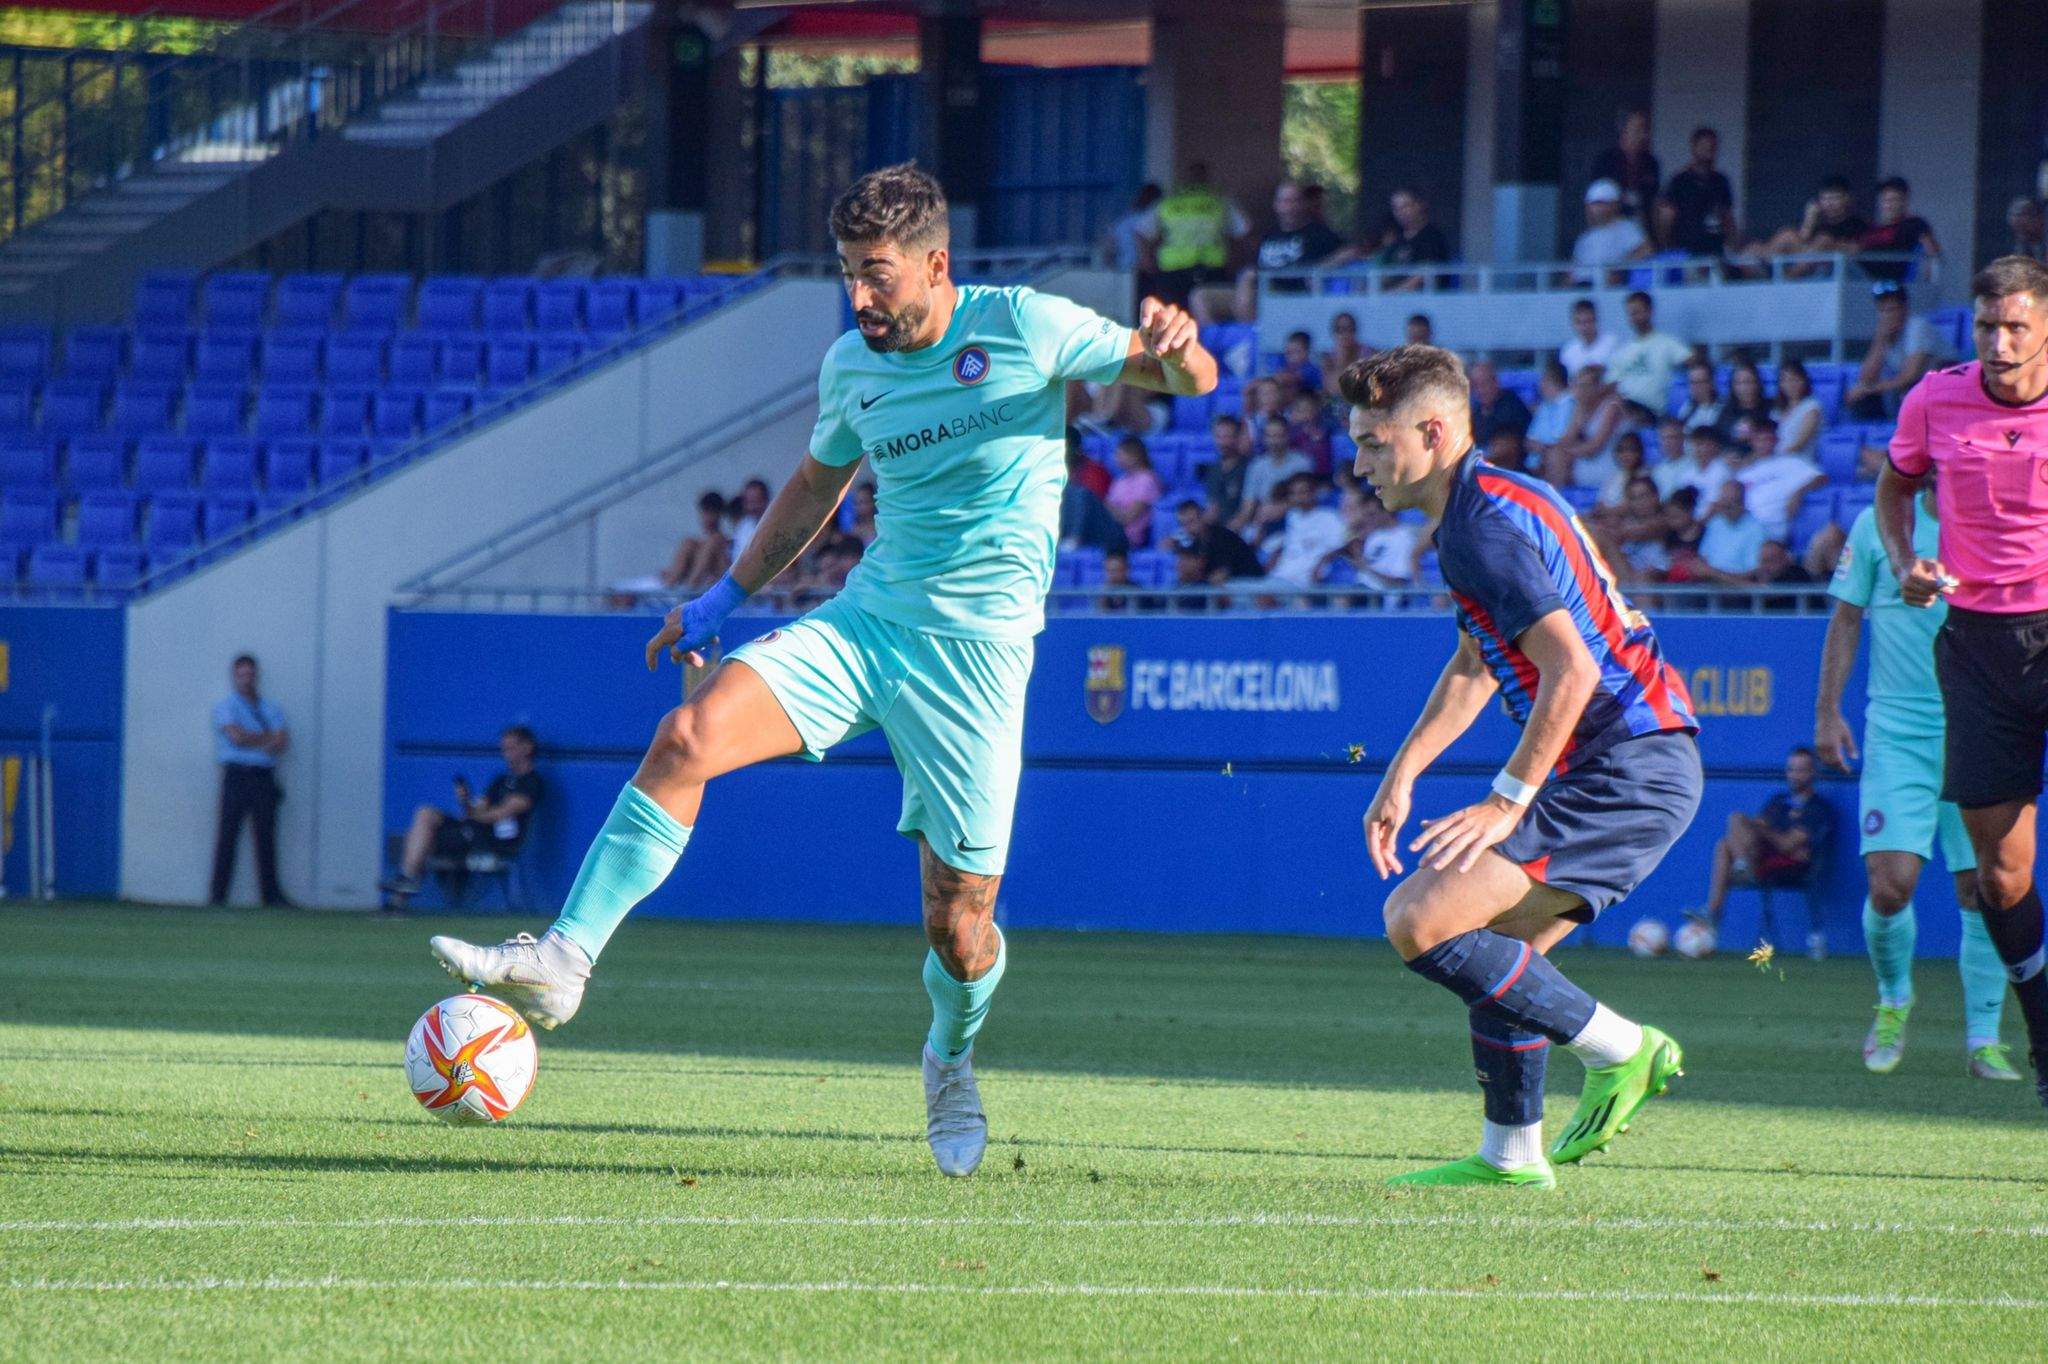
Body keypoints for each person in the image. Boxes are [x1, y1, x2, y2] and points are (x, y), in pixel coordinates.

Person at [426, 163, 1221, 1175]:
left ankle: (948, 1054)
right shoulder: (852, 363)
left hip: (977, 661)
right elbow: (812, 488)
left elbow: (1179, 379)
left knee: (960, 925)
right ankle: (564, 958)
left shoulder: (1026, 324)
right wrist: (719, 601)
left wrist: (1179, 349)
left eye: (876, 274)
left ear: (936, 264)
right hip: (866, 624)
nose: (858, 297)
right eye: (846, 273)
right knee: (686, 735)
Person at [1345, 344, 1700, 1188]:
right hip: (1638, 763)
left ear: (1432, 431)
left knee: (1420, 919)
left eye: (1372, 442)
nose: (1359, 466)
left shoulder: (1478, 529)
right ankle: (1511, 1157)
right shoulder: (1493, 500)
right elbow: (1478, 661)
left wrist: (1508, 800)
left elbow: (1573, 669)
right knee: (1500, 954)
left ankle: (1626, 1051)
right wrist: (1403, 773)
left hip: (1625, 764)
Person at [1877, 254, 2048, 1107]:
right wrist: (1909, 563)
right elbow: (1894, 487)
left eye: (2017, 325)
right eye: (1987, 326)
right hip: (1978, 646)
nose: (2001, 342)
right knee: (2000, 881)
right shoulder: (1934, 397)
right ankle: (2044, 1042)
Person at [1816, 492, 2019, 1080]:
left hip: (1977, 728)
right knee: (1890, 886)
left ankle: (1984, 1037)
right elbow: (1846, 618)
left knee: (1985, 888)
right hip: (1898, 732)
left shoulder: (1995, 519)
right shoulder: (1878, 525)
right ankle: (1894, 999)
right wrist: (1827, 712)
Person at [1692, 748, 1838, 958]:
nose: (1795, 775)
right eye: (1791, 769)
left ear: (1813, 772)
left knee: (1734, 830)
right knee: (1728, 837)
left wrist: (1763, 830)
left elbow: (1788, 844)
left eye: (1801, 770)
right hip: (1764, 857)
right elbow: (1758, 826)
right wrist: (1759, 828)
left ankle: (1732, 885)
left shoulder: (1818, 808)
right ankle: (1715, 908)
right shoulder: (1778, 801)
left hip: (1796, 867)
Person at [381, 726, 545, 909]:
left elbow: (499, 814)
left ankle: (401, 893)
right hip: (469, 832)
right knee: (425, 816)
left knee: (422, 838)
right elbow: (476, 809)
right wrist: (465, 800)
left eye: (511, 748)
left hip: (491, 842)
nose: (507, 754)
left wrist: (476, 813)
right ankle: (405, 882)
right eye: (504, 749)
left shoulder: (532, 783)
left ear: (527, 747)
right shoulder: (500, 780)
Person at [209, 653, 290, 907]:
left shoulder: (271, 708)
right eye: (241, 674)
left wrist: (255, 738)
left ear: (256, 676)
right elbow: (236, 738)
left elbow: (282, 742)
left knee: (266, 837)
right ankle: (218, 895)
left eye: (250, 674)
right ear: (234, 677)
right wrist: (265, 739)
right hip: (236, 775)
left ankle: (271, 895)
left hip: (263, 777)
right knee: (228, 835)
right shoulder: (225, 706)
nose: (246, 679)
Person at [1138, 161, 1250, 311]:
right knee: (1204, 312)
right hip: (1208, 269)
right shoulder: (1219, 202)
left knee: (1174, 315)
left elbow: (1141, 231)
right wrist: (1237, 261)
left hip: (1176, 269)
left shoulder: (1169, 203)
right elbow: (1244, 232)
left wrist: (1147, 260)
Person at [1231, 179, 1346, 321]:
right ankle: (1242, 335)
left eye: (1294, 201)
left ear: (1303, 204)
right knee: (1202, 296)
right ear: (1276, 205)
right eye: (1284, 201)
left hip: (1294, 293)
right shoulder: (1269, 235)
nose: (1289, 207)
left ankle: (1253, 335)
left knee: (1249, 281)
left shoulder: (1318, 234)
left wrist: (1321, 268)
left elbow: (1350, 251)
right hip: (1261, 291)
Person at [1848, 280, 1944, 420]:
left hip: (1939, 388)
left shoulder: (1917, 326)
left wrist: (1870, 389)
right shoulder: (1884, 333)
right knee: (1859, 399)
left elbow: (1910, 377)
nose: (1886, 316)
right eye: (1882, 310)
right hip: (1909, 391)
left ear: (1905, 309)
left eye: (1891, 309)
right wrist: (1880, 340)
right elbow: (1865, 379)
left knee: (1900, 392)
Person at [1731, 418, 1826, 540]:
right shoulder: (1744, 473)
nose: (1764, 444)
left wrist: (1798, 493)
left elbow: (1821, 478)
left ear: (1776, 441)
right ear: (1752, 442)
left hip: (1774, 529)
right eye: (1759, 440)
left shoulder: (1791, 461)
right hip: (1745, 528)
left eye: (1768, 439)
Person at [1606, 292, 1694, 416]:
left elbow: (1693, 362)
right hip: (1624, 409)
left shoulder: (1666, 343)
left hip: (1652, 411)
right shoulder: (1623, 350)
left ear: (1650, 311)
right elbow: (1611, 384)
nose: (1634, 317)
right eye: (1631, 313)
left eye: (1637, 312)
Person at [1263, 473, 1346, 590]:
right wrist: (1276, 554)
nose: (1298, 497)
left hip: (1308, 576)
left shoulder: (1330, 517)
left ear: (1314, 492)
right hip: (1283, 571)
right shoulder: (1291, 516)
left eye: (1302, 492)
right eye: (1294, 493)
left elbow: (1341, 545)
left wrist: (1322, 562)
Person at [1665, 127, 1738, 258]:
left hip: (1716, 250)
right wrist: (1670, 249)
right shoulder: (1680, 181)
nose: (1708, 150)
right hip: (1688, 252)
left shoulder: (1721, 181)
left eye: (1712, 147)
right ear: (1694, 147)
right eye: (1704, 146)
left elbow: (1727, 217)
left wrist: (1732, 245)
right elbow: (1667, 218)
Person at [1857, 177, 1941, 281]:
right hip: (1863, 279)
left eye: (1893, 200)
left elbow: (1931, 250)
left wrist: (1926, 285)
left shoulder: (1914, 224)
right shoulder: (1872, 229)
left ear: (1904, 201)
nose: (1889, 205)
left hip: (1893, 284)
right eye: (1885, 200)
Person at [1570, 180, 1650, 281]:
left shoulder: (1627, 228)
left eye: (1600, 204)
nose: (1595, 209)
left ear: (1614, 205)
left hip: (1610, 290)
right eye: (1592, 204)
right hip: (1582, 289)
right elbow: (1572, 271)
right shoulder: (1584, 238)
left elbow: (1644, 251)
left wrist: (1620, 270)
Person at [1372, 187, 1451, 290]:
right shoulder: (1397, 240)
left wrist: (1393, 295)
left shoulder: (1433, 237)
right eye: (1396, 209)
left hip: (1425, 301)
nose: (1401, 212)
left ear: (1419, 205)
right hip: (1392, 300)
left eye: (1405, 206)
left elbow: (1423, 275)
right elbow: (1385, 272)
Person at [1170, 498, 1262, 583]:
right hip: (1227, 588)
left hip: (1249, 584)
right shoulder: (1194, 543)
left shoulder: (1222, 538)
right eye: (1184, 524)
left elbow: (1220, 575)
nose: (1188, 528)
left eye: (1192, 522)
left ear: (1202, 517)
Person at [1590, 109, 1659, 220]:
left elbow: (1652, 197)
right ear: (1624, 131)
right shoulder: (1605, 161)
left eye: (1646, 130)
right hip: (1612, 223)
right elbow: (1598, 199)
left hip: (1642, 224)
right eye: (1638, 129)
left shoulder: (1651, 163)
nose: (1643, 135)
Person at [661, 492, 733, 592]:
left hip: (718, 583)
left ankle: (688, 588)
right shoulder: (696, 544)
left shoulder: (721, 541)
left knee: (713, 540)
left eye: (712, 513)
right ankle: (669, 585)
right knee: (688, 542)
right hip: (698, 582)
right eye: (705, 512)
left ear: (720, 514)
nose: (708, 518)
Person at [1696, 479, 1766, 579]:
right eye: (1723, 502)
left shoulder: (1757, 529)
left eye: (1730, 503)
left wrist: (1714, 574)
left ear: (1742, 502)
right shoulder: (1715, 523)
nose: (1725, 507)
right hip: (1708, 586)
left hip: (1737, 590)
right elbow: (1703, 558)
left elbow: (1752, 572)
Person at [1105, 436, 1164, 548]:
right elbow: (1106, 507)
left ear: (1134, 456)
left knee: (1082, 496)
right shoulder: (1120, 480)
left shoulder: (1148, 480)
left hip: (1130, 537)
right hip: (1110, 530)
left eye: (1120, 455)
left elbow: (1129, 517)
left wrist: (1112, 511)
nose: (1116, 459)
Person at [1199, 413, 1253, 526]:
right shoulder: (1213, 469)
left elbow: (1247, 512)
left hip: (1244, 528)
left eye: (1227, 436)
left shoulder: (1250, 468)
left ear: (1237, 437)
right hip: (1218, 529)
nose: (1222, 443)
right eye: (1218, 437)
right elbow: (1212, 507)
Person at [1469, 360, 1531, 446]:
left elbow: (1509, 444)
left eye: (1484, 384)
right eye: (1476, 385)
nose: (1480, 390)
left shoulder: (1511, 405)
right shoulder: (1475, 412)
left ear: (1495, 382)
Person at [1773, 359, 1825, 457]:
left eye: (1794, 379)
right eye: (1785, 380)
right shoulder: (1776, 411)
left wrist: (1774, 459)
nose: (1790, 385)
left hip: (1798, 462)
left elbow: (1799, 444)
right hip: (1773, 461)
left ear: (1804, 381)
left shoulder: (1812, 408)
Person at [1559, 298, 1618, 378]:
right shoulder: (1568, 350)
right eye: (1579, 322)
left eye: (1588, 321)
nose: (1584, 327)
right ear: (1573, 323)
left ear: (1596, 320)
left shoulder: (1612, 343)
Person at [1676, 360, 1724, 434]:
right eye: (1692, 382)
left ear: (1711, 383)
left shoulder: (1723, 408)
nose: (1696, 387)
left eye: (1700, 382)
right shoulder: (1686, 408)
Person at [1320, 310, 1367, 377]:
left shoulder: (1367, 356)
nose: (1345, 334)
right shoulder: (1327, 360)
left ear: (1354, 330)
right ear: (1334, 332)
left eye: (1349, 329)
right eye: (1340, 329)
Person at [2008, 196, 2047, 262]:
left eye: (2027, 215)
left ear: (2040, 219)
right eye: (2015, 215)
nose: (2022, 220)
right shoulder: (2008, 249)